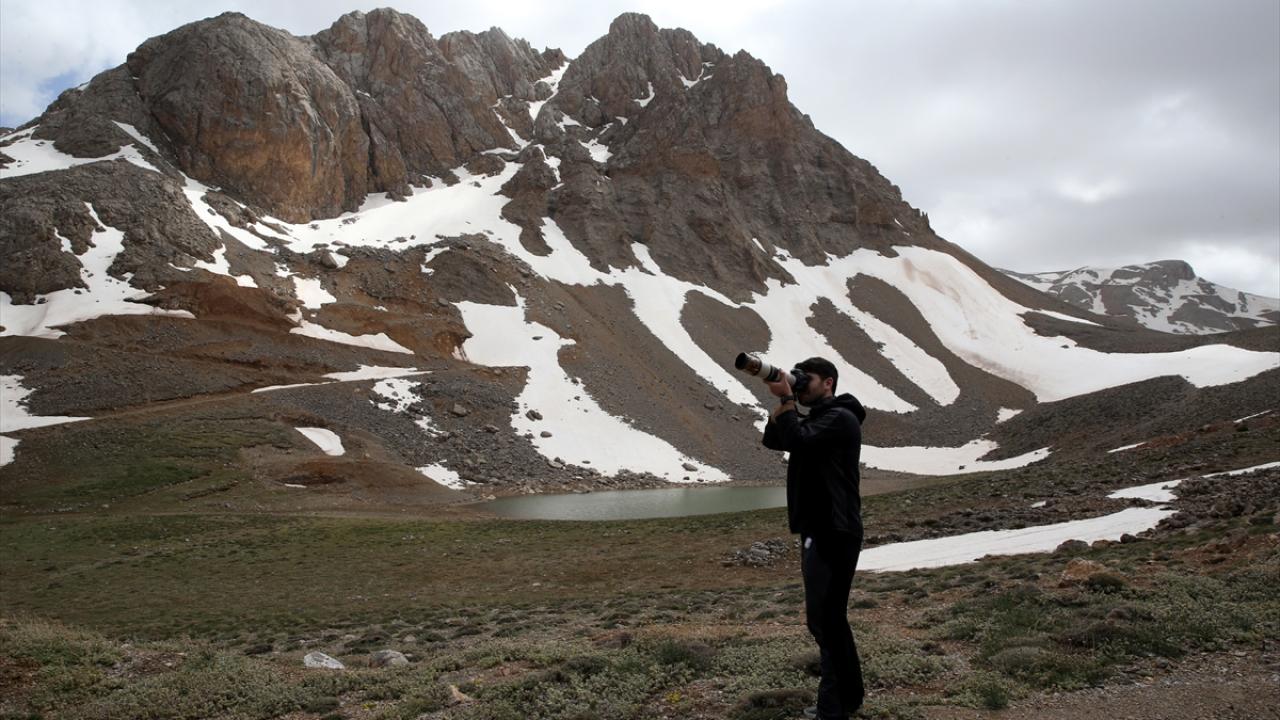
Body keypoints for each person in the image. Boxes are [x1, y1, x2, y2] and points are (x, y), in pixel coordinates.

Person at [761, 357, 867, 720]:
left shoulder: (840, 418)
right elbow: (774, 440)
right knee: (825, 619)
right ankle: (847, 698)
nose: (802, 384)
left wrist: (787, 399)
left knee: (827, 620)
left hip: (834, 530)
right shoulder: (820, 419)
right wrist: (783, 401)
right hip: (821, 529)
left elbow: (798, 439)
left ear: (829, 383)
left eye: (807, 379)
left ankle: (834, 707)